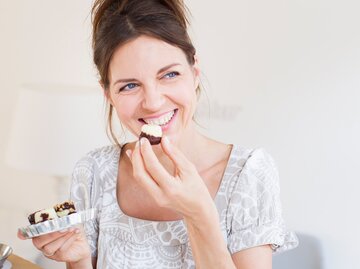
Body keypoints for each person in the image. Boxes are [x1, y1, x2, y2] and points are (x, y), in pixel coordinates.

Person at [19, 0, 298, 268]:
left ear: (195, 72)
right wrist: (78, 261)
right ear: (109, 95)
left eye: (169, 75)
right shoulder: (94, 173)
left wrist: (198, 213)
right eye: (129, 86)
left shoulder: (248, 175)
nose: (152, 102)